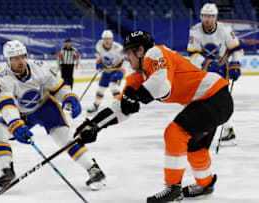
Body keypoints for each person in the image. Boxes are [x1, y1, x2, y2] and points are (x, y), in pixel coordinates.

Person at [75, 30, 233, 202]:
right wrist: (95, 125)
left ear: (140, 51)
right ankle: (205, 185)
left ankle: (173, 189)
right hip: (207, 102)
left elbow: (161, 84)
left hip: (215, 98)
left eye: (129, 53)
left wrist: (135, 97)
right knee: (195, 147)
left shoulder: (155, 53)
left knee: (175, 133)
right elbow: (121, 107)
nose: (127, 58)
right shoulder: (137, 77)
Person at [0, 40, 106, 191]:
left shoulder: (39, 67)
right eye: (15, 58)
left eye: (22, 56)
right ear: (7, 60)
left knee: (63, 137)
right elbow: (7, 105)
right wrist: (15, 122)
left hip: (45, 108)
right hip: (21, 113)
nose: (21, 61)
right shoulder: (2, 78)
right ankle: (6, 172)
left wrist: (68, 96)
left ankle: (93, 169)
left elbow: (58, 87)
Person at [187, 3, 243, 145]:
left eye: (210, 16)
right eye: (205, 16)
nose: (207, 19)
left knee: (219, 101)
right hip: (203, 70)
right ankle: (203, 129)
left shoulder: (225, 30)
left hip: (222, 70)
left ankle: (227, 131)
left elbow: (237, 49)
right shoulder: (195, 31)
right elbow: (193, 55)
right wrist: (208, 63)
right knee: (200, 100)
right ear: (201, 16)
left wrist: (236, 64)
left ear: (215, 17)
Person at [87, 30, 125, 113]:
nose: (107, 41)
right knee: (101, 88)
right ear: (102, 39)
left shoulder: (118, 48)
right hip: (107, 70)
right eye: (105, 39)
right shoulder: (99, 45)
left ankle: (120, 105)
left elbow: (125, 59)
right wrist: (98, 64)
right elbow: (99, 57)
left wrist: (122, 70)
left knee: (113, 85)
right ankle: (96, 105)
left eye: (109, 39)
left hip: (117, 69)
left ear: (112, 39)